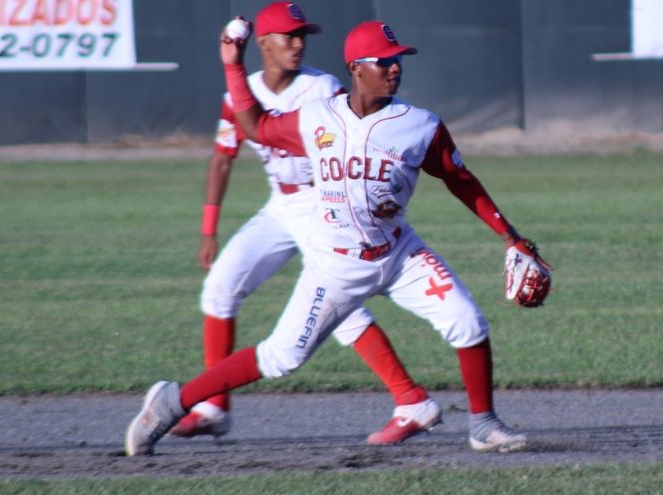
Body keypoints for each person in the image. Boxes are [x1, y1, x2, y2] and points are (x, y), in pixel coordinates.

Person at [126, 18, 538, 456]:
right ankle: (174, 401)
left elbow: (460, 179)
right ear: (356, 68)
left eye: (398, 60)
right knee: (280, 358)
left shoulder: (420, 125)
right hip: (335, 263)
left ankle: (483, 424)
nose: (395, 68)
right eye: (384, 61)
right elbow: (257, 127)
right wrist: (233, 66)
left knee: (468, 322)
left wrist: (509, 236)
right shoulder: (317, 116)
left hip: (400, 253)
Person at [171, 2, 439, 446]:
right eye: (290, 36)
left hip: (324, 202)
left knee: (341, 308)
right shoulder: (240, 94)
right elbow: (222, 158)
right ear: (264, 44)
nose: (299, 44)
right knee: (219, 288)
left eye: (303, 36)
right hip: (281, 204)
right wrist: (208, 229)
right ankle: (214, 406)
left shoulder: (322, 87)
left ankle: (409, 397)